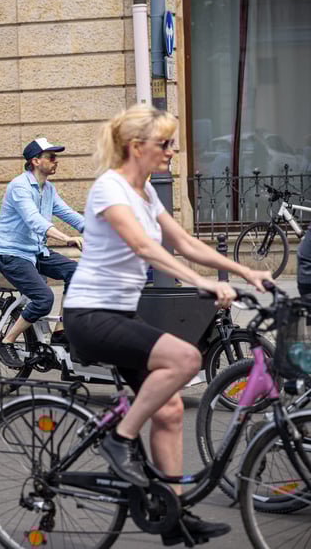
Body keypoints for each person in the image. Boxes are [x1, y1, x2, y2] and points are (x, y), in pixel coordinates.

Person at [62, 104, 270, 545]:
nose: (172, 151)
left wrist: (244, 272)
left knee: (172, 409)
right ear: (136, 147)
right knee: (186, 357)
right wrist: (198, 283)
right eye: (164, 143)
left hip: (120, 314)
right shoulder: (109, 189)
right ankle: (120, 437)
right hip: (89, 315)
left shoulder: (145, 193)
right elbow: (142, 246)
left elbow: (183, 242)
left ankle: (172, 514)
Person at [0, 138, 85, 365]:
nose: (56, 161)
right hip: (11, 254)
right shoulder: (19, 186)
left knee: (78, 272)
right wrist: (66, 238)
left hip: (36, 252)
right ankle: (7, 340)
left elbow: (70, 214)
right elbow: (34, 220)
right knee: (44, 298)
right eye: (51, 157)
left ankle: (61, 331)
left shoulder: (48, 189)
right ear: (35, 161)